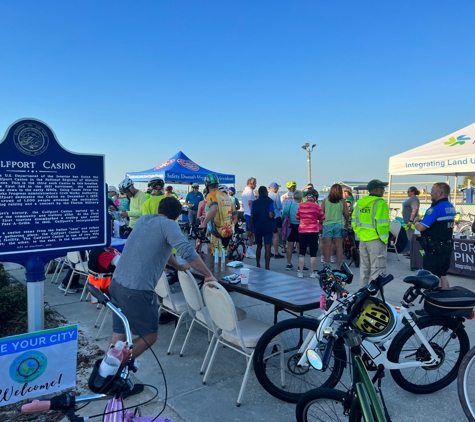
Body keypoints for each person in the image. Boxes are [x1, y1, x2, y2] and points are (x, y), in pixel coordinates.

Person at [109, 196, 217, 361]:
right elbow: (187, 251)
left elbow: (160, 250)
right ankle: (115, 370)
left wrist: (177, 266)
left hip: (116, 284)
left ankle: (107, 374)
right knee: (149, 336)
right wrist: (208, 274)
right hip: (136, 289)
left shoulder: (144, 220)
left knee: (119, 334)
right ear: (177, 215)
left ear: (159, 209)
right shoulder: (169, 225)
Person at [414, 182, 455, 289]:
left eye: (432, 191)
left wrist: (416, 221)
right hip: (447, 246)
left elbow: (422, 227)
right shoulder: (450, 206)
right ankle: (446, 300)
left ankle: (432, 302)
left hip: (435, 249)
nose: (430, 193)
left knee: (430, 277)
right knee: (443, 275)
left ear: (440, 193)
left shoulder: (436, 208)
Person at [352, 179, 390, 288]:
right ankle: (375, 299)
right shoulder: (380, 203)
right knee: (377, 271)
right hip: (376, 241)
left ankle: (362, 297)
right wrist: (384, 239)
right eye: (381, 188)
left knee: (364, 271)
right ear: (375, 190)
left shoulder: (360, 203)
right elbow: (382, 224)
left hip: (363, 240)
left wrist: (361, 234)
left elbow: (354, 221)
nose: (383, 190)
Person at [200, 175, 237, 254]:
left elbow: (214, 208)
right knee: (224, 256)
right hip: (228, 232)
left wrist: (204, 223)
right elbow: (235, 216)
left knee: (216, 258)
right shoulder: (226, 196)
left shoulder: (211, 195)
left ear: (207, 186)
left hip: (217, 232)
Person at [296, 188, 325, 278]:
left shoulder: (301, 205)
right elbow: (323, 217)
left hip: (302, 231)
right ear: (315, 197)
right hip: (313, 231)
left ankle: (300, 272)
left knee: (302, 252)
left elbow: (297, 217)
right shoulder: (317, 206)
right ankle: (312, 273)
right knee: (313, 253)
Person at [321, 184, 350, 270]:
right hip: (339, 225)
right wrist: (346, 222)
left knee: (327, 245)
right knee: (339, 246)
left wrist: (322, 221)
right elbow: (347, 214)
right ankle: (338, 266)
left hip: (327, 225)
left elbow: (321, 213)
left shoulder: (325, 201)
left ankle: (326, 264)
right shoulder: (342, 202)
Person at [250, 186, 277, 269]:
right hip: (268, 226)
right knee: (267, 247)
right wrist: (274, 214)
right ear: (265, 192)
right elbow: (271, 215)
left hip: (258, 226)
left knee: (259, 246)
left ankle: (258, 264)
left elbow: (252, 216)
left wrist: (251, 229)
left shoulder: (254, 203)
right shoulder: (270, 201)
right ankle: (267, 267)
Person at [282, 189, 302, 270]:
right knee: (299, 246)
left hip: (290, 227)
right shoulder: (302, 206)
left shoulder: (289, 205)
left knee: (290, 246)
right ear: (301, 198)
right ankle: (300, 264)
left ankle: (288, 263)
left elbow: (283, 215)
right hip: (300, 227)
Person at [267, 182, 284, 259]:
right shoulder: (276, 195)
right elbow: (279, 206)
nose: (278, 189)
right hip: (276, 216)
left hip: (268, 218)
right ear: (274, 188)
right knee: (276, 236)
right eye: (277, 188)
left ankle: (268, 252)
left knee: (269, 236)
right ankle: (276, 253)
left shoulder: (267, 195)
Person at [402, 186, 421, 258]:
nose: (407, 193)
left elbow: (414, 210)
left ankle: (413, 253)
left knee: (411, 237)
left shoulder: (414, 200)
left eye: (408, 191)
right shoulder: (410, 199)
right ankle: (409, 252)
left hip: (411, 222)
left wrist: (411, 220)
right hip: (407, 222)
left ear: (413, 192)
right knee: (409, 237)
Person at [242, 177, 257, 259]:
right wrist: (253, 212)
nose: (256, 185)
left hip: (246, 213)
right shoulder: (250, 191)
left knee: (247, 232)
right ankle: (249, 250)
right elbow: (250, 202)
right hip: (250, 214)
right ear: (252, 183)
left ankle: (246, 249)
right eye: (255, 183)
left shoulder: (244, 191)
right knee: (252, 233)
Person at [280, 180, 297, 253]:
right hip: (294, 216)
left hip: (285, 216)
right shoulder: (296, 196)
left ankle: (284, 248)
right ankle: (292, 248)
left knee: (284, 232)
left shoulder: (283, 196)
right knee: (293, 232)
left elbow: (281, 207)